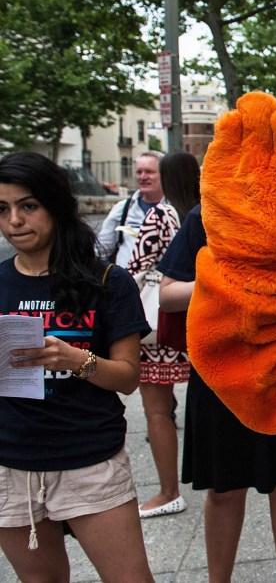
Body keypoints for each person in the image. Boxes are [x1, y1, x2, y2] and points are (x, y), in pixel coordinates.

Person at [159, 204, 276, 583]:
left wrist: (271, 288)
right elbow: (168, 294)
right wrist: (223, 282)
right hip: (220, 374)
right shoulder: (205, 215)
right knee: (224, 488)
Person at [0, 152, 154, 582]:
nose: (14, 220)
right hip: (11, 465)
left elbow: (127, 379)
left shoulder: (106, 282)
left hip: (89, 461)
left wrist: (76, 361)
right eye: (2, 209)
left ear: (54, 205)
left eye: (28, 206)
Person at [133, 152, 200, 518]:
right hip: (193, 324)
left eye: (149, 172)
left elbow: (136, 267)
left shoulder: (159, 215)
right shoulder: (199, 210)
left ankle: (168, 490)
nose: (143, 178)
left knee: (157, 410)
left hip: (158, 326)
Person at [96, 151, 165, 264]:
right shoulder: (122, 209)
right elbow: (101, 250)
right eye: (139, 172)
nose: (143, 177)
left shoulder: (174, 210)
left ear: (164, 174)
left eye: (149, 172)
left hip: (161, 280)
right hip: (126, 280)